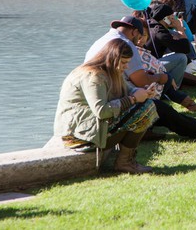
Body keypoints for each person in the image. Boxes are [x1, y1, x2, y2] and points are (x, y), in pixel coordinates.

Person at [54, 38, 156, 174]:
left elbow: (128, 89)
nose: (126, 67)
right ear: (113, 59)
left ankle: (126, 161)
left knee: (146, 105)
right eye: (124, 63)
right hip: (79, 137)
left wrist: (142, 92)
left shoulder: (110, 71)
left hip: (89, 129)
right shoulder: (93, 76)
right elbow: (101, 111)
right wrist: (133, 99)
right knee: (143, 110)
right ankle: (125, 162)